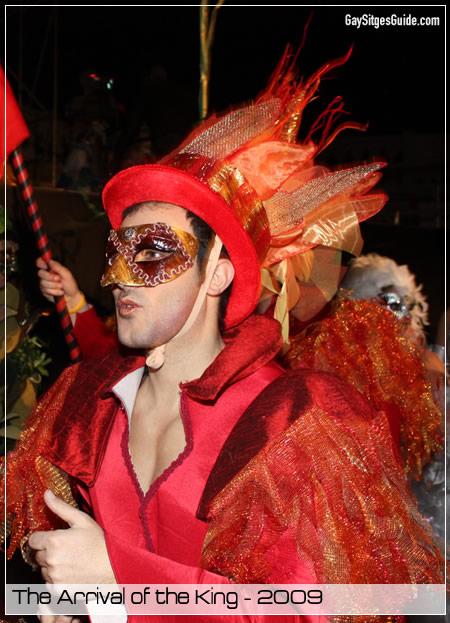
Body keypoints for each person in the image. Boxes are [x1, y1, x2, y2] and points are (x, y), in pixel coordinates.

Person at [2, 48, 443, 622]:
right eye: (117, 252)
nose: (117, 277)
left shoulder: (291, 422)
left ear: (217, 273)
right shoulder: (85, 403)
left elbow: (310, 609)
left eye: (154, 252)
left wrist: (123, 583)